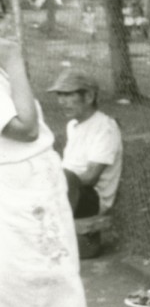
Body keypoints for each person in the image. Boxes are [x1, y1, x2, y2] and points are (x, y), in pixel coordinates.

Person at [0, 37, 107, 307]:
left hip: (28, 189)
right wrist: (13, 60)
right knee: (56, 293)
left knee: (5, 296)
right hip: (22, 197)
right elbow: (26, 129)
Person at [48, 68, 122, 218]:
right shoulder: (73, 125)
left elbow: (90, 178)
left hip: (91, 198)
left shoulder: (105, 127)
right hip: (67, 190)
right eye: (59, 95)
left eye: (68, 94)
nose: (61, 101)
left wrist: (56, 182)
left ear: (88, 96)